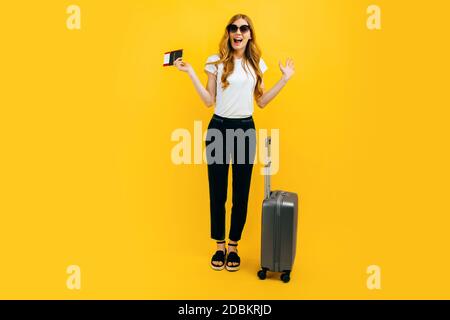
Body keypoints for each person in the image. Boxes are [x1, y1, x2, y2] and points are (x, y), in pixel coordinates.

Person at [174, 13, 295, 271]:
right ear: (229, 33)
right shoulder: (215, 62)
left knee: (241, 193)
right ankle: (219, 245)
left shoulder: (256, 65)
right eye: (233, 28)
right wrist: (191, 72)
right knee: (217, 192)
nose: (238, 32)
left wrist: (284, 79)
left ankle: (233, 246)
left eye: (243, 28)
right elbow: (208, 100)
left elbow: (261, 102)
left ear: (250, 34)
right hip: (218, 127)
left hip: (245, 129)